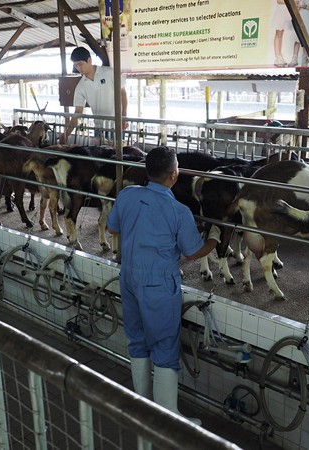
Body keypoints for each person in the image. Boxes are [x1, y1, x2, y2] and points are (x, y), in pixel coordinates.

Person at [106, 146, 219, 425]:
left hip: (129, 276)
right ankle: (168, 416)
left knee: (138, 339)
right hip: (158, 283)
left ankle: (142, 405)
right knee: (165, 345)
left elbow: (112, 228)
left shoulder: (128, 194)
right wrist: (214, 239)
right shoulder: (178, 211)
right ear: (173, 175)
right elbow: (192, 252)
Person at [59, 47, 128, 144]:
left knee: (117, 156)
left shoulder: (109, 73)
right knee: (101, 157)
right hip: (99, 128)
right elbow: (78, 112)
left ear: (89, 60)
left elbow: (123, 93)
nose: (79, 68)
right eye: (76, 65)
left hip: (117, 125)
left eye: (80, 64)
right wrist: (66, 134)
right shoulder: (81, 86)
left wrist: (124, 116)